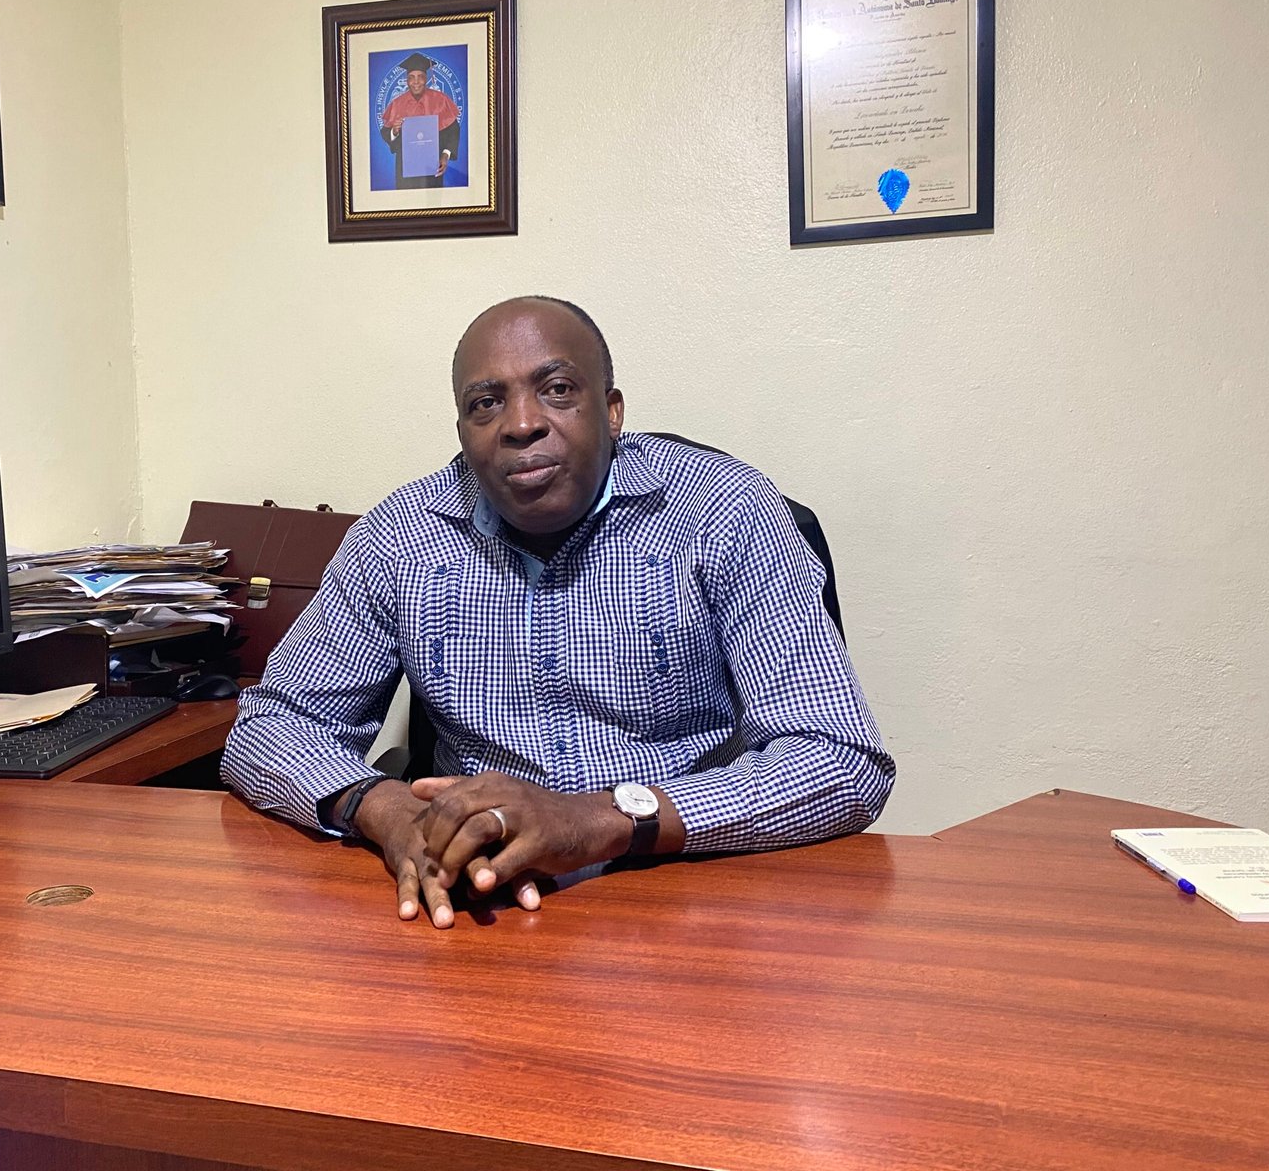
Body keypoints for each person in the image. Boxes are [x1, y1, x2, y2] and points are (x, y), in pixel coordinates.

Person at [221, 296, 895, 928]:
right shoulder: (399, 537)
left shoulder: (725, 510)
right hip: (481, 904)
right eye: (486, 403)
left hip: (687, 893)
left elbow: (841, 760)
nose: (521, 424)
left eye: (558, 389)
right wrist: (386, 808)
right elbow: (270, 727)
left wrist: (599, 820)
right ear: (463, 431)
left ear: (613, 411)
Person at [378, 52, 460, 189]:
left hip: (433, 167)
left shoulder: (440, 100)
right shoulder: (397, 104)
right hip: (405, 169)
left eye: (420, 77)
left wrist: (445, 155)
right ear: (407, 80)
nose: (416, 82)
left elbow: (453, 130)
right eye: (411, 78)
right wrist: (394, 131)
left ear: (426, 78)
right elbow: (386, 133)